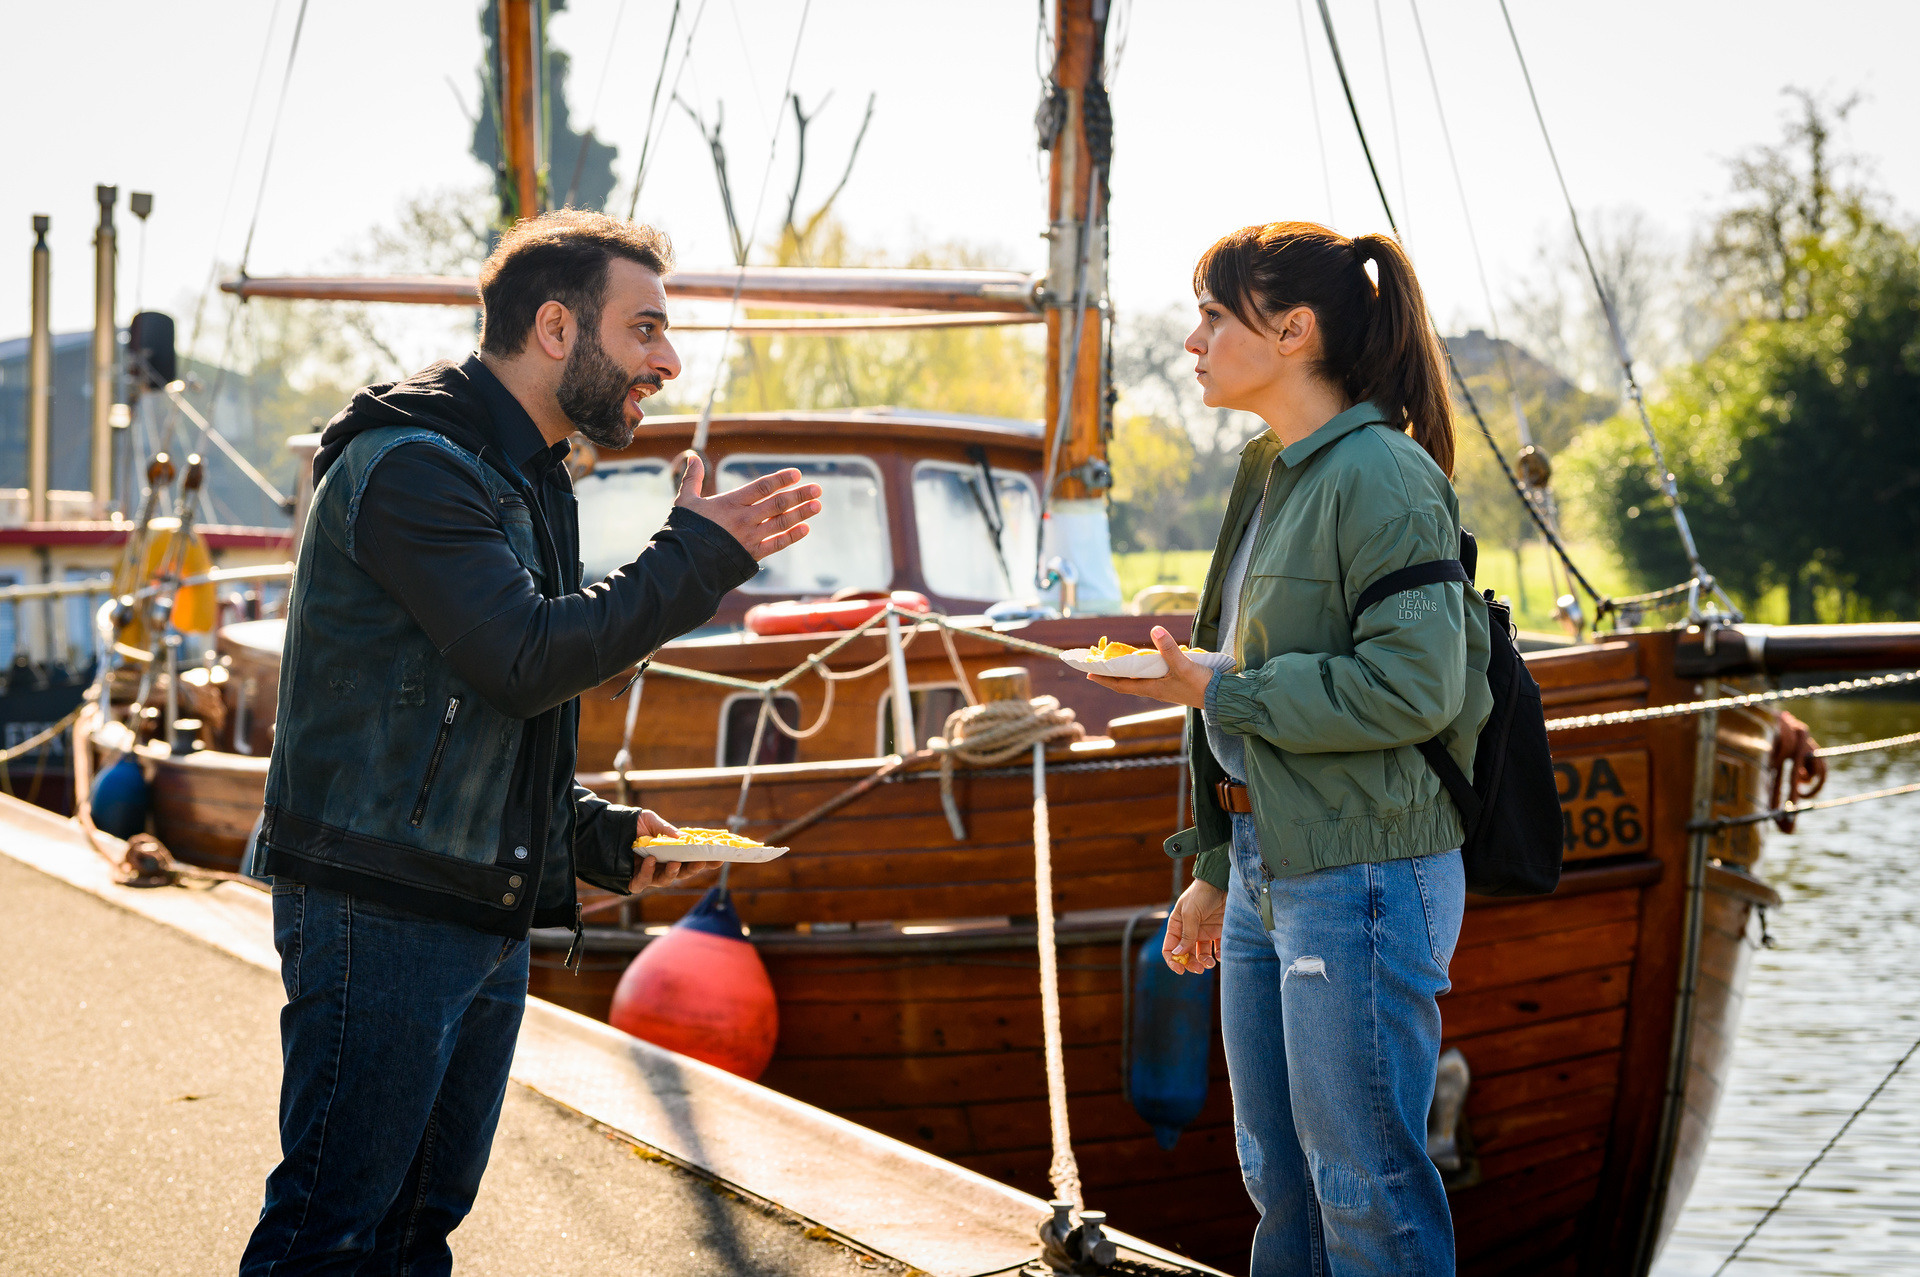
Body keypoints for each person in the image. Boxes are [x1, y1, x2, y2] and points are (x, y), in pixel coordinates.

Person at [239, 210, 823, 1274]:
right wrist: (693, 553)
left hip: (471, 902)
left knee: (418, 1234)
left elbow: (487, 704)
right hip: (384, 907)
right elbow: (521, 657)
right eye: (645, 327)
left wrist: (592, 833)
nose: (668, 358)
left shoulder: (523, 472)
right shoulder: (415, 465)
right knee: (331, 1232)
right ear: (557, 326)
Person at [1089, 222, 1491, 1275]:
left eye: (1215, 315)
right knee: (1279, 1183)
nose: (1192, 340)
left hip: (1363, 871)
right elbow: (1234, 667)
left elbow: (1414, 686)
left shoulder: (1387, 477)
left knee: (1364, 1183)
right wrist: (1216, 868)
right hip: (1270, 865)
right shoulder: (1269, 473)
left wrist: (1214, 681)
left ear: (1293, 329)